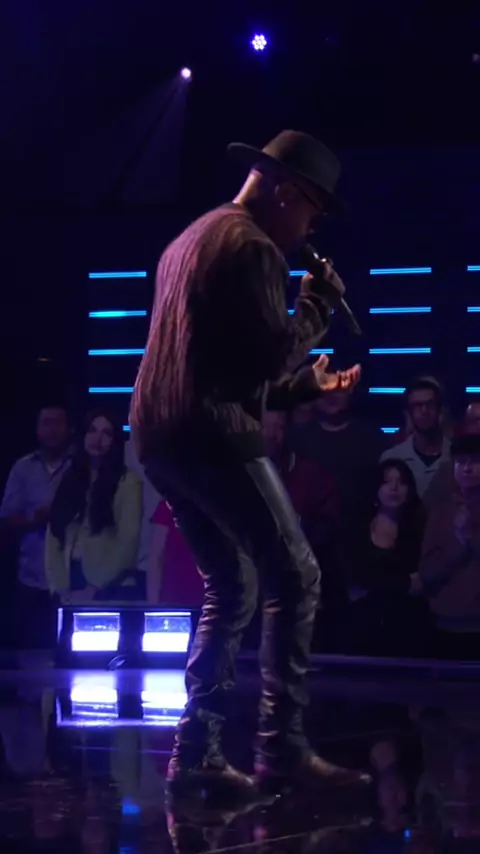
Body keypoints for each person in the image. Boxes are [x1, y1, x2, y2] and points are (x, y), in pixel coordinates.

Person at [130, 129, 368, 792]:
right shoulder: (254, 247)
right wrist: (316, 305)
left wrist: (302, 387)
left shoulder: (193, 238)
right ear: (287, 192)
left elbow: (231, 368)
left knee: (232, 582)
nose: (311, 229)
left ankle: (196, 753)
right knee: (296, 574)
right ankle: (280, 749)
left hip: (160, 434)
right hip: (211, 433)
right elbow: (266, 357)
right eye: (313, 211)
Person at [45, 410, 143, 603]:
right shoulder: (70, 479)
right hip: (71, 581)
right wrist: (59, 588)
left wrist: (95, 588)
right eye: (92, 430)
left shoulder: (128, 482)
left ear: (114, 441)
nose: (98, 438)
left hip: (112, 585)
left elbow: (128, 543)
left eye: (107, 433)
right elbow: (54, 536)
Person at [0, 404, 72, 648]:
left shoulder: (79, 466)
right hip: (31, 579)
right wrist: (34, 520)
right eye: (46, 423)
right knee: (32, 655)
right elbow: (6, 518)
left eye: (58, 423)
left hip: (74, 580)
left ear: (69, 429)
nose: (53, 430)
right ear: (37, 429)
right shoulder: (23, 468)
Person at [347, 459, 428, 656]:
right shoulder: (357, 527)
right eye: (387, 481)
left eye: (401, 482)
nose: (394, 487)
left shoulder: (420, 529)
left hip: (407, 623)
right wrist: (403, 582)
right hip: (363, 624)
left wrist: (374, 583)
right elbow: (356, 577)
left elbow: (421, 582)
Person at [419, 433, 480, 658]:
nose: (467, 468)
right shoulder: (440, 512)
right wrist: (458, 546)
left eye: (475, 461)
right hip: (447, 623)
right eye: (461, 461)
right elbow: (427, 573)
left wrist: (470, 538)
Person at [381, 378, 451, 506]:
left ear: (440, 410)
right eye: (418, 405)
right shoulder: (391, 458)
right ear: (409, 413)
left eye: (430, 404)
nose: (424, 411)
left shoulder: (458, 458)